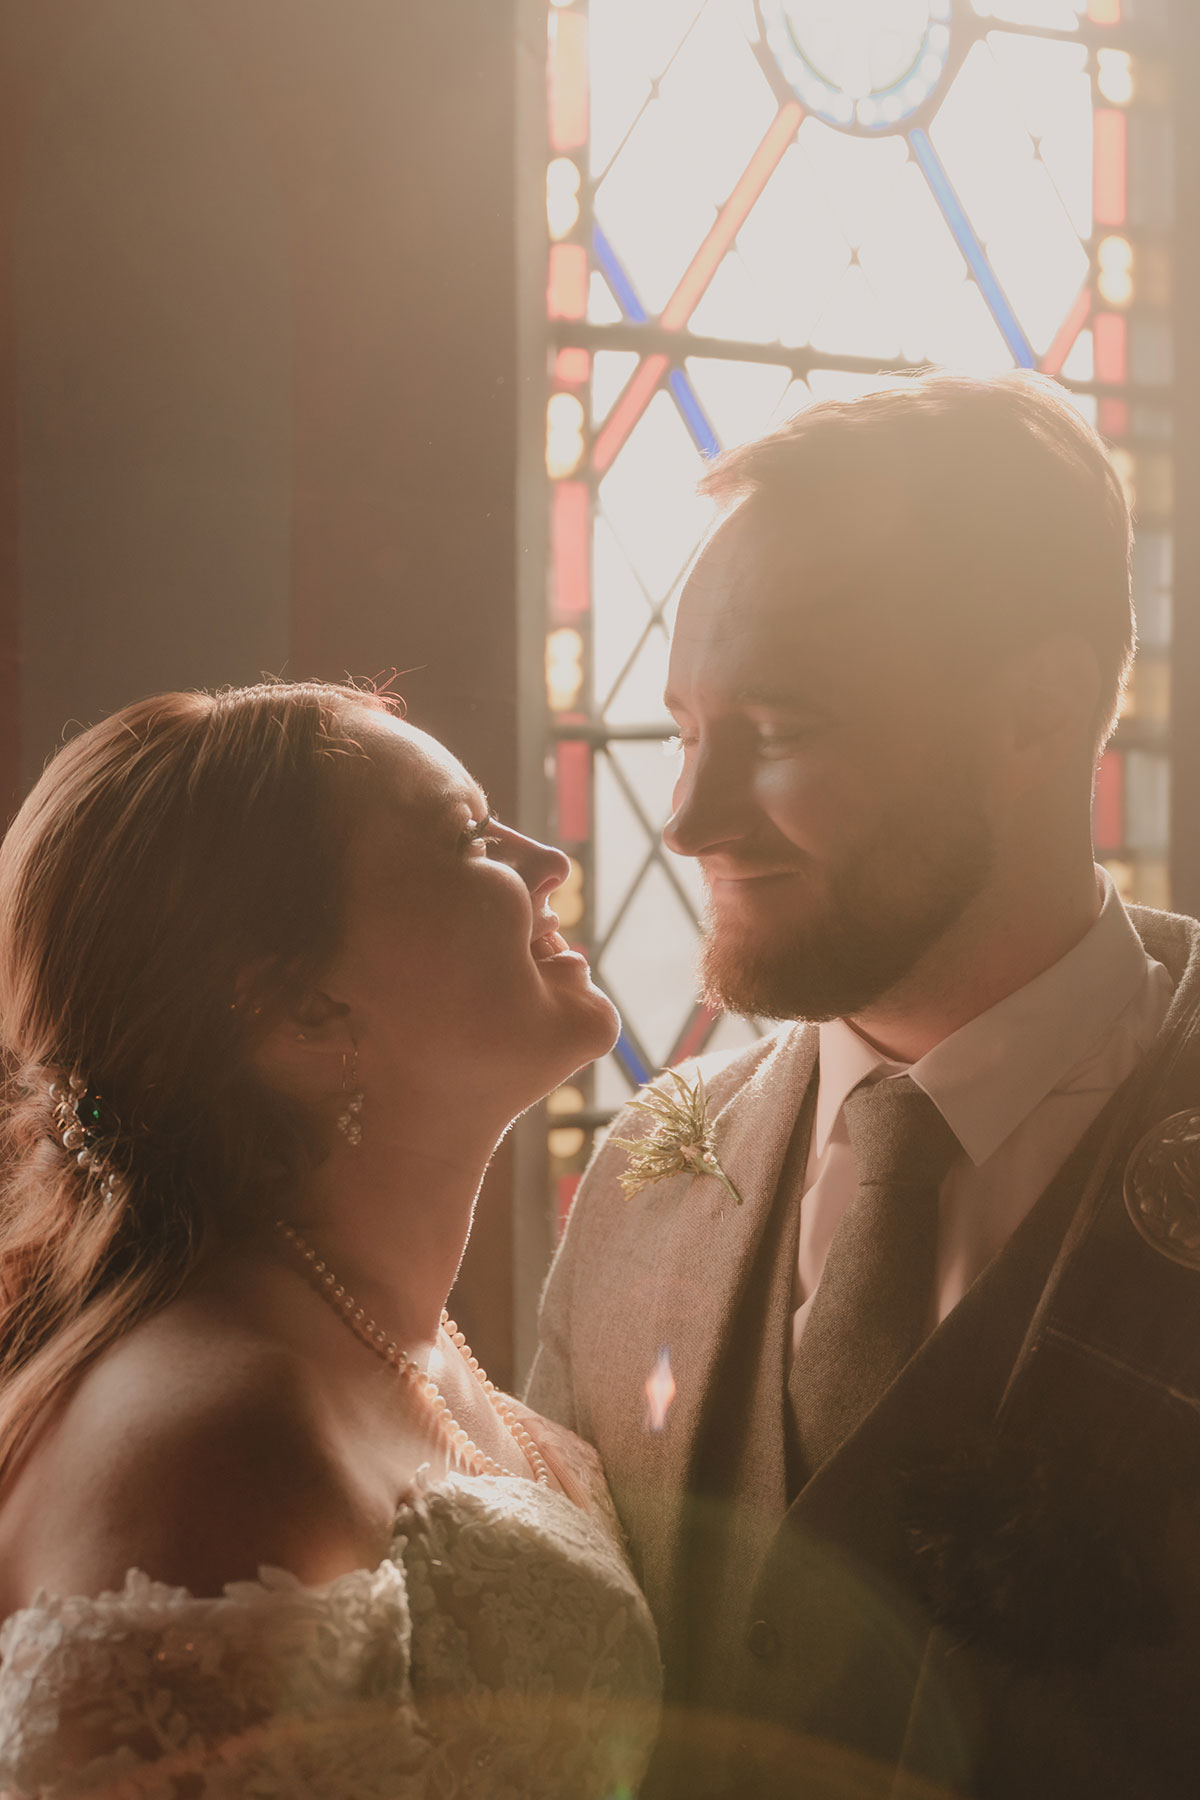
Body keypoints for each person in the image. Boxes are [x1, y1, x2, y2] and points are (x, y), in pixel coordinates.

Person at [528, 371, 1200, 1800]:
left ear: (1035, 715)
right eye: (685, 732)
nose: (694, 819)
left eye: (778, 731)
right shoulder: (649, 1179)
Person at [0, 681, 660, 1797]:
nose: (547, 858)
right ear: (303, 1014)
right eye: (469, 838)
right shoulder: (207, 1435)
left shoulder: (400, 1345)